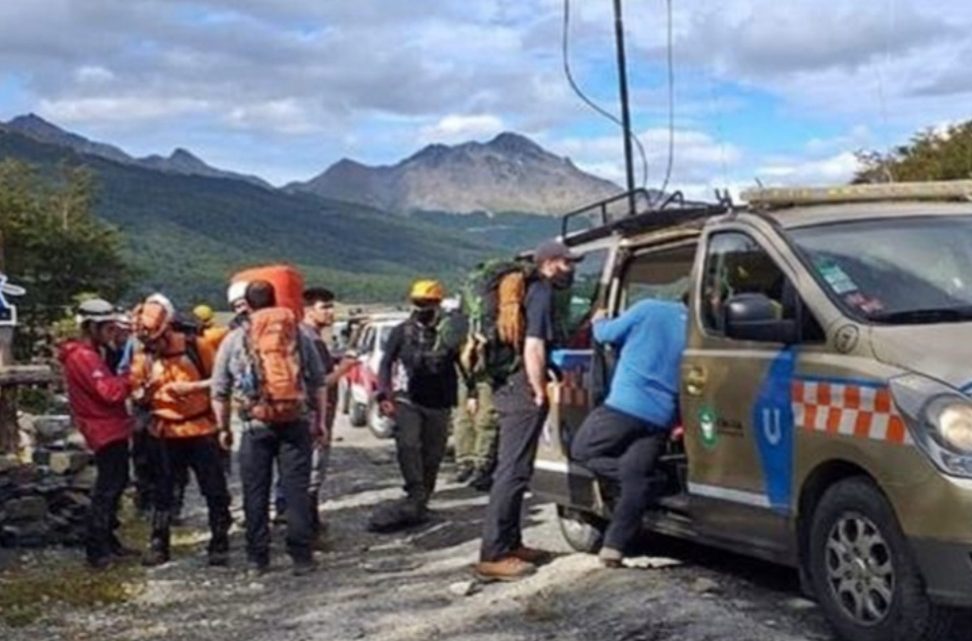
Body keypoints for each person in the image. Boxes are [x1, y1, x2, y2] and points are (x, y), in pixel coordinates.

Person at [475, 240, 579, 580]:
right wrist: (537, 389)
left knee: (516, 470)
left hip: (507, 384)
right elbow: (534, 346)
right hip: (521, 387)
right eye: (567, 262)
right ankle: (493, 554)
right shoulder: (541, 291)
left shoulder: (525, 289)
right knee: (513, 471)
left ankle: (511, 542)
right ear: (550, 262)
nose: (572, 268)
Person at [212, 280, 328, 576]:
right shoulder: (298, 333)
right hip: (295, 421)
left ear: (247, 305)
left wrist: (223, 428)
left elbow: (219, 390)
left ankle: (257, 559)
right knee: (296, 491)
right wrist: (320, 422)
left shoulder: (236, 337)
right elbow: (318, 382)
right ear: (275, 300)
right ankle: (301, 557)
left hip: (255, 424)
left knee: (255, 492)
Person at [570, 296, 687, 567]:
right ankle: (613, 547)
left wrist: (599, 318)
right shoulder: (695, 326)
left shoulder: (647, 308)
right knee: (636, 478)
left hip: (624, 407)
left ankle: (651, 481)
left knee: (580, 449)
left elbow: (604, 335)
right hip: (661, 417)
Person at [130, 294, 232, 567]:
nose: (152, 346)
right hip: (164, 432)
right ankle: (158, 544)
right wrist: (146, 390)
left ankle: (219, 541)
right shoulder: (144, 357)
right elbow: (137, 395)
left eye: (155, 341)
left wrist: (193, 389)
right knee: (162, 490)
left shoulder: (197, 347)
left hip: (201, 429)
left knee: (214, 489)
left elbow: (221, 381)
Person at [370, 280, 469, 531]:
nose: (423, 308)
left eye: (428, 304)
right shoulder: (401, 332)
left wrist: (471, 394)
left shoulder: (448, 334)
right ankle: (414, 492)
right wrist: (384, 394)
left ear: (438, 304)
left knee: (433, 454)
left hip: (439, 402)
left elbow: (461, 363)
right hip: (407, 399)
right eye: (419, 303)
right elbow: (385, 363)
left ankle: (423, 499)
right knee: (408, 444)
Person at [58, 299, 135, 569]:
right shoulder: (85, 357)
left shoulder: (89, 353)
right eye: (107, 328)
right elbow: (109, 392)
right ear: (92, 327)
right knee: (108, 488)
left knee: (115, 484)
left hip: (107, 426)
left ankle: (108, 541)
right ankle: (97, 549)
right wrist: (132, 378)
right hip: (104, 427)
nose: (112, 334)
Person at [453, 381, 498, 491]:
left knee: (478, 419)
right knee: (481, 420)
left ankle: (474, 464)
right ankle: (478, 465)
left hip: (476, 375)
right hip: (481, 375)